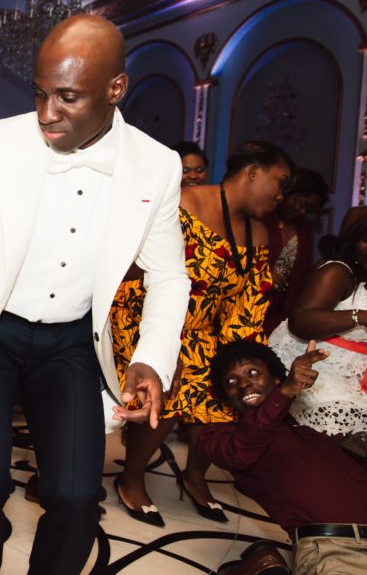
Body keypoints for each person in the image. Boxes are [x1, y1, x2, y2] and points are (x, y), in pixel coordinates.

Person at [0, 14, 191, 574]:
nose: (47, 113)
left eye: (68, 97)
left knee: (74, 498)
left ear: (116, 89)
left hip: (72, 343)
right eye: (41, 93)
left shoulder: (158, 166)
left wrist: (151, 358)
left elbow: (168, 275)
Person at [114, 141, 292, 527]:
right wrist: (167, 346)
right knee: (169, 383)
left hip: (206, 331)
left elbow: (248, 305)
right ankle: (131, 478)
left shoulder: (259, 233)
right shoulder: (185, 203)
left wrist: (239, 360)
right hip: (146, 316)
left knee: (224, 384)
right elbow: (145, 272)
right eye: (279, 182)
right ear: (252, 172)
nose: (281, 195)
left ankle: (194, 477)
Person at [200, 340, 367, 574]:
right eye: (231, 381)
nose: (244, 383)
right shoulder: (221, 436)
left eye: (253, 372)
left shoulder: (308, 433)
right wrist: (286, 391)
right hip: (335, 550)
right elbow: (238, 454)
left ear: (276, 378)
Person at [270, 210, 367, 447]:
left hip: (355, 369)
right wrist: (362, 317)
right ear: (355, 240)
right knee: (338, 414)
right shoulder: (338, 272)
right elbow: (301, 322)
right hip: (314, 359)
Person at [262, 167, 329, 334]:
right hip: (249, 300)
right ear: (289, 192)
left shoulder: (303, 227)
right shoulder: (262, 217)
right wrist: (263, 274)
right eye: (301, 204)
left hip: (279, 311)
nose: (302, 211)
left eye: (308, 210)